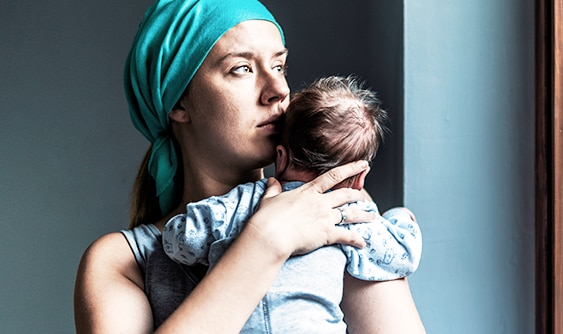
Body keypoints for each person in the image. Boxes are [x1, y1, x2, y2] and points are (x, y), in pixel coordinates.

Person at [73, 0, 426, 332]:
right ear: (178, 102)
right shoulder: (121, 261)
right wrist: (264, 241)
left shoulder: (333, 215)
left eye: (279, 66)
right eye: (241, 69)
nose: (278, 89)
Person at [160, 75, 422, 332]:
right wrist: (398, 216)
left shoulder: (240, 202)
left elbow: (181, 242)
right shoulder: (351, 216)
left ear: (281, 158)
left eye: (279, 67)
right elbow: (403, 256)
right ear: (359, 179)